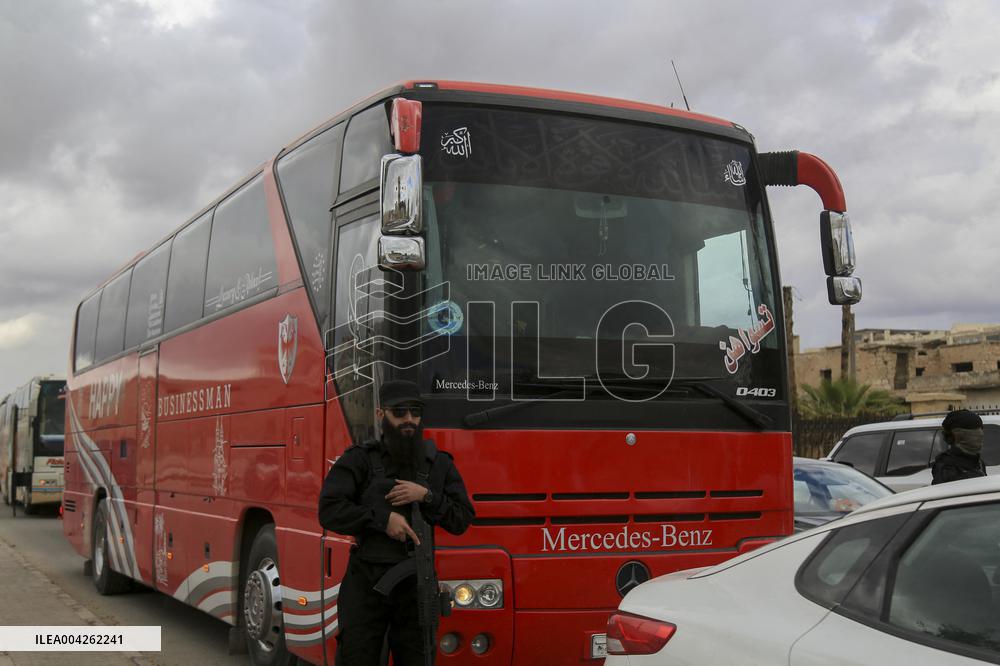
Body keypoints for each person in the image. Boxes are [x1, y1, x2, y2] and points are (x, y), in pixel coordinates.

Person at [318, 379, 474, 665]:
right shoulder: (360, 461)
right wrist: (381, 520)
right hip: (367, 587)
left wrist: (426, 496)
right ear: (381, 415)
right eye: (399, 412)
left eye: (415, 412)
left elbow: (462, 519)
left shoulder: (438, 465)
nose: (409, 420)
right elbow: (329, 510)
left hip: (417, 590)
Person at [931, 409, 987, 485]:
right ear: (952, 437)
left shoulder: (978, 462)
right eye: (970, 435)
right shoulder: (946, 466)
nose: (976, 439)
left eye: (978, 434)